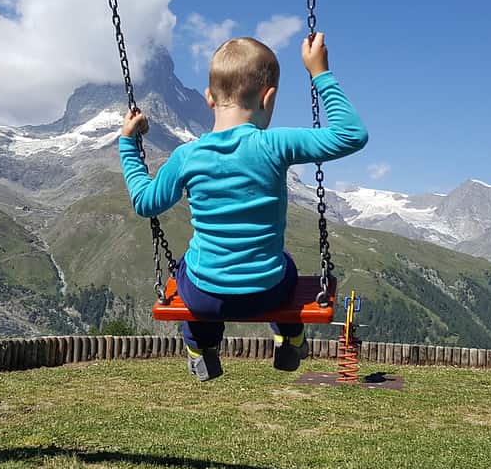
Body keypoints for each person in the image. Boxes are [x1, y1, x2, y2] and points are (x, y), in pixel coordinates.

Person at [119, 33, 367, 380]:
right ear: (269, 97)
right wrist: (319, 72)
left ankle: (201, 348)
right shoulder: (275, 144)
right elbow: (352, 134)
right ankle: (290, 336)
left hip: (206, 296)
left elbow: (145, 202)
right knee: (286, 265)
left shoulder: (186, 157)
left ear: (208, 98)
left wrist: (128, 144)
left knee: (187, 269)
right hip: (268, 293)